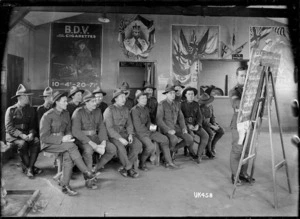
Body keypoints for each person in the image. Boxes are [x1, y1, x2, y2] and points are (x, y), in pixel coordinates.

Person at [40, 91, 97, 196]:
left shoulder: (66, 114)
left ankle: (65, 185)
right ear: (57, 102)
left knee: (68, 157)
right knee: (72, 146)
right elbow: (44, 137)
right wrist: (63, 139)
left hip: (64, 143)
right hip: (49, 144)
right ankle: (86, 172)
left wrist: (69, 136)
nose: (67, 103)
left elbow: (68, 129)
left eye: (66, 101)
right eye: (64, 101)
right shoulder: (47, 116)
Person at [72, 90, 117, 189]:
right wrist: (90, 142)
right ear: (86, 102)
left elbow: (101, 127)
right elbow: (76, 131)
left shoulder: (98, 111)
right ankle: (89, 180)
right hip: (82, 139)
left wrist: (104, 141)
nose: (95, 103)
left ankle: (94, 169)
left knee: (112, 149)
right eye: (92, 101)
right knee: (88, 150)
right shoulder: (78, 112)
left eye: (95, 101)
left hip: (95, 136)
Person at [131, 91, 179, 170]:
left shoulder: (145, 108)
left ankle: (169, 162)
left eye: (145, 98)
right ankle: (142, 163)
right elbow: (138, 127)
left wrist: (153, 128)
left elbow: (149, 122)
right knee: (150, 147)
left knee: (165, 139)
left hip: (148, 132)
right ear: (138, 100)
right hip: (140, 133)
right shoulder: (134, 110)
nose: (144, 100)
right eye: (142, 98)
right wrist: (149, 131)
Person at [103, 88, 142, 178]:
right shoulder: (109, 110)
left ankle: (125, 168)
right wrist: (120, 138)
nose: (124, 99)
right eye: (121, 97)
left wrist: (130, 134)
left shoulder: (126, 109)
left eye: (124, 97)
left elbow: (129, 124)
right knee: (121, 148)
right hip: (113, 136)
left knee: (137, 144)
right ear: (115, 99)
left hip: (124, 133)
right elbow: (109, 128)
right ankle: (129, 168)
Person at [5, 84, 42, 179]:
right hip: (13, 136)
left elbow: (33, 125)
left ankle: (29, 167)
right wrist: (21, 135)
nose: (28, 98)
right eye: (26, 96)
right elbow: (9, 127)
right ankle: (31, 168)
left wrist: (31, 133)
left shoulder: (30, 110)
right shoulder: (11, 110)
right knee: (22, 144)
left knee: (36, 141)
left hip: (26, 135)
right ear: (20, 97)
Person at [229, 66, 255, 185]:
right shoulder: (234, 91)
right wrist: (250, 97)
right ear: (237, 76)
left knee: (247, 150)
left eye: (246, 75)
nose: (244, 78)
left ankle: (243, 173)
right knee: (237, 150)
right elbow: (236, 103)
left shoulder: (251, 89)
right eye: (241, 75)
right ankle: (235, 174)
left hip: (249, 124)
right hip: (238, 126)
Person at [156, 84, 194, 161]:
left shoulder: (177, 104)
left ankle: (172, 150)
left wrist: (183, 128)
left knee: (190, 138)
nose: (173, 95)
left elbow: (181, 117)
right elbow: (159, 120)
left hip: (176, 127)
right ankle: (168, 158)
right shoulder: (162, 104)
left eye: (173, 93)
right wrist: (168, 130)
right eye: (170, 93)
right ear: (166, 94)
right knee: (174, 139)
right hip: (166, 128)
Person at [181, 86, 209, 163]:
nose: (191, 96)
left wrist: (198, 125)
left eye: (192, 94)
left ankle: (199, 155)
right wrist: (188, 125)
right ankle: (191, 153)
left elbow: (200, 117)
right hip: (186, 126)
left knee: (205, 136)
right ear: (185, 95)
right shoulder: (181, 105)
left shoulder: (196, 104)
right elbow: (180, 118)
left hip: (195, 125)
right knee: (191, 137)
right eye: (189, 94)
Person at [199, 92, 225, 158]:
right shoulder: (201, 109)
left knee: (221, 131)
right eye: (208, 102)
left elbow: (212, 116)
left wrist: (215, 123)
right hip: (203, 125)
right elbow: (203, 122)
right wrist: (212, 126)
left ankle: (213, 146)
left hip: (210, 123)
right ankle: (208, 150)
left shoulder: (210, 106)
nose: (209, 102)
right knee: (210, 134)